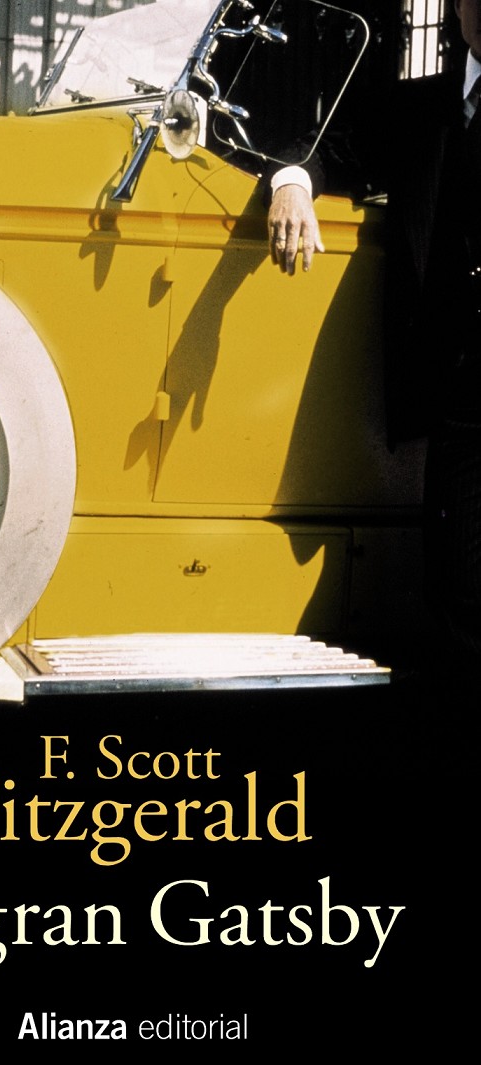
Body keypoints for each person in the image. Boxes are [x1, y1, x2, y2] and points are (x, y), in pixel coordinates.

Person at [266, 0, 481, 665]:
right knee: (460, 593)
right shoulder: (421, 109)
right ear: (458, 7)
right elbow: (324, 147)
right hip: (461, 405)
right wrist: (292, 186)